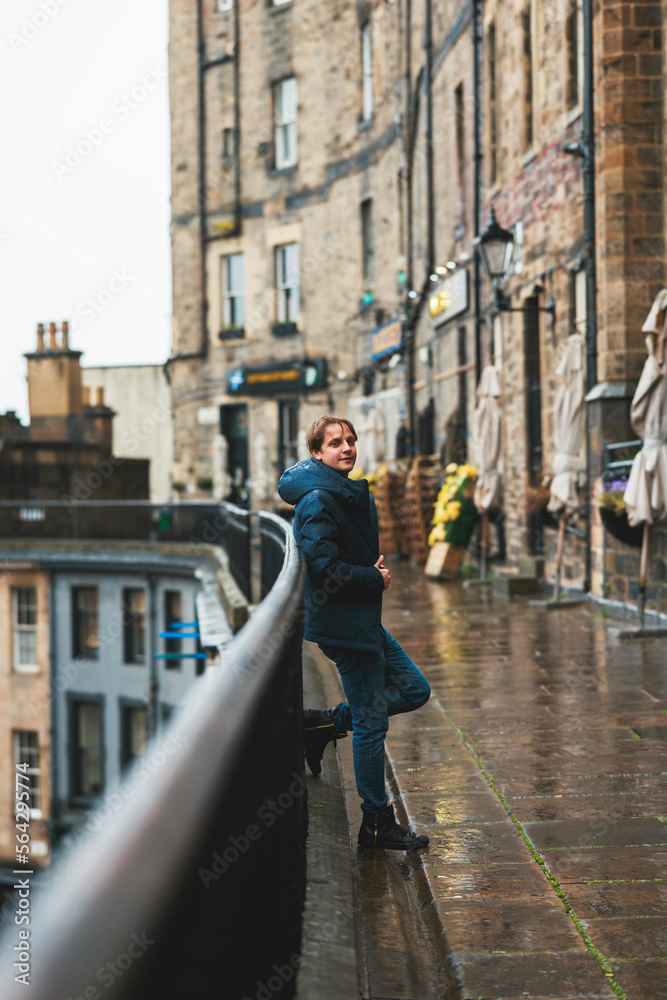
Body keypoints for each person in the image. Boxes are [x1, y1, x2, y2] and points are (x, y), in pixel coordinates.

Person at [278, 414, 431, 850]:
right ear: (316, 454)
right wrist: (373, 578)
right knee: (372, 722)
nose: (346, 448)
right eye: (334, 443)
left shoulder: (339, 491)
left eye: (350, 440)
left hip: (361, 621)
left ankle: (324, 725)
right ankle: (376, 822)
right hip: (345, 627)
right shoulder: (318, 500)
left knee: (415, 690)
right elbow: (324, 568)